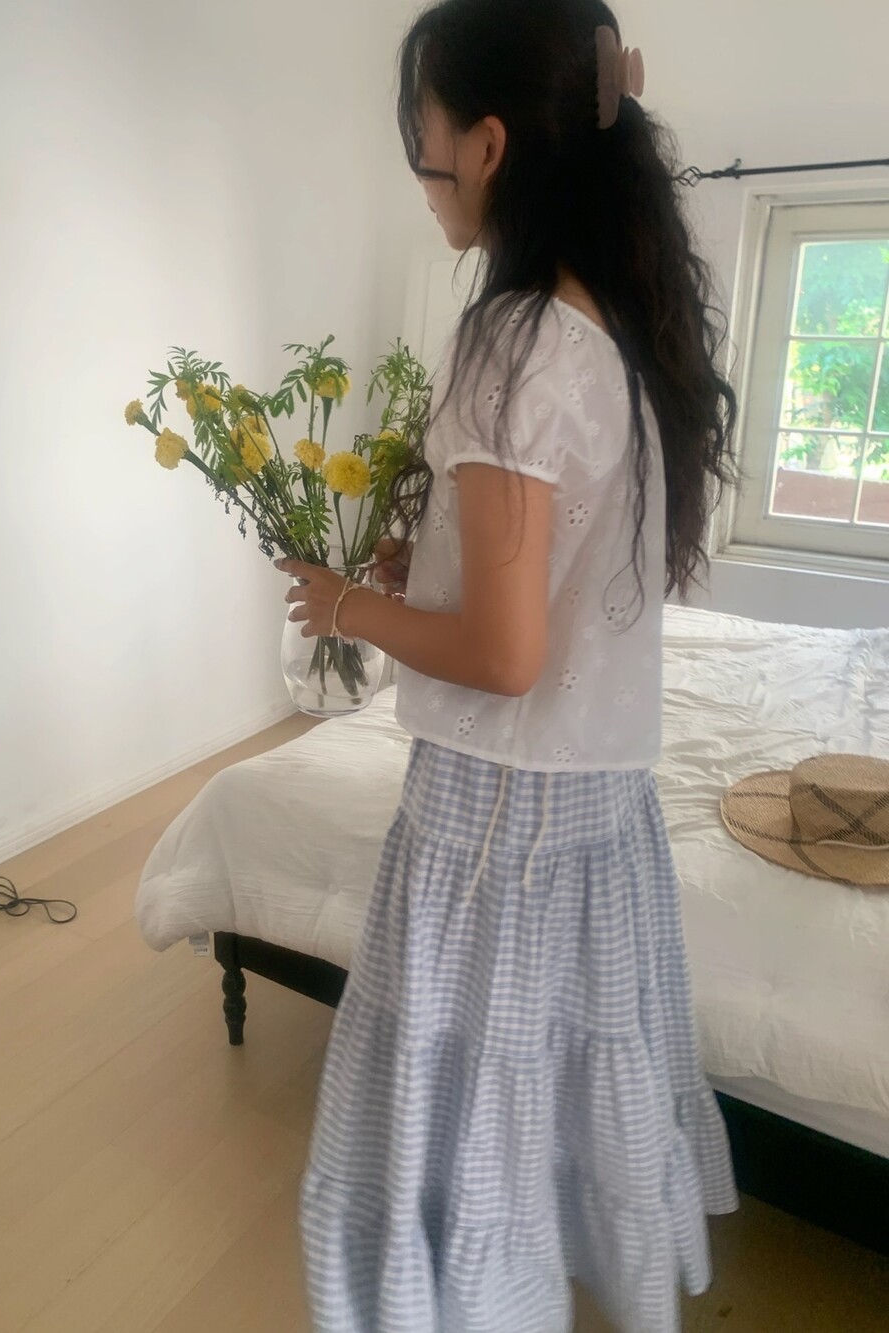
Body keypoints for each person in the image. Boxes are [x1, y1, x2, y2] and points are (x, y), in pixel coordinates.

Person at [278, 1, 739, 1328]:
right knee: (541, 1096)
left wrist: (347, 609)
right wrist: (424, 569)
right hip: (595, 805)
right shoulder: (618, 325)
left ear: (486, 145)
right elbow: (561, 577)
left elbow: (502, 653)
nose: (419, 177)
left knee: (467, 1112)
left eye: (420, 142)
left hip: (496, 816)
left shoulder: (509, 338)